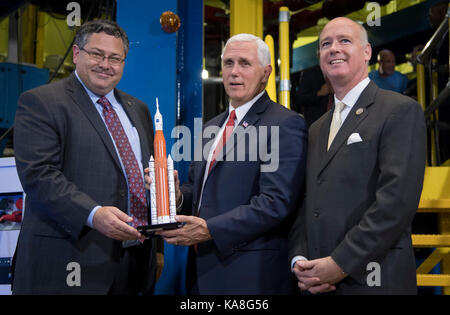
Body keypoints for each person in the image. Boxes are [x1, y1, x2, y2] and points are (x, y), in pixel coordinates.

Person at [149, 33, 308, 294]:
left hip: (251, 275)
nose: (234, 72)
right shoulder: (211, 127)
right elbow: (198, 194)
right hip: (201, 272)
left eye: (245, 64)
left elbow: (276, 202)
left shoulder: (284, 123)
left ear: (266, 72)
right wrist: (176, 195)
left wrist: (210, 230)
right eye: (228, 63)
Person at [12, 20, 161, 295]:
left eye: (115, 58)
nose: (106, 64)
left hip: (133, 261)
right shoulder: (41, 102)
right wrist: (93, 215)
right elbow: (39, 175)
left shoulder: (137, 109)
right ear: (77, 54)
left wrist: (163, 202)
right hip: (68, 259)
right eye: (97, 54)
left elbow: (141, 177)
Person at [289, 17, 426, 295]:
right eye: (326, 44)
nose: (334, 48)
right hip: (318, 283)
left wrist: (340, 263)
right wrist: (300, 259)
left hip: (375, 280)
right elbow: (308, 202)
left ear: (367, 52)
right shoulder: (317, 128)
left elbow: (396, 203)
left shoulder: (400, 110)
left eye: (344, 41)